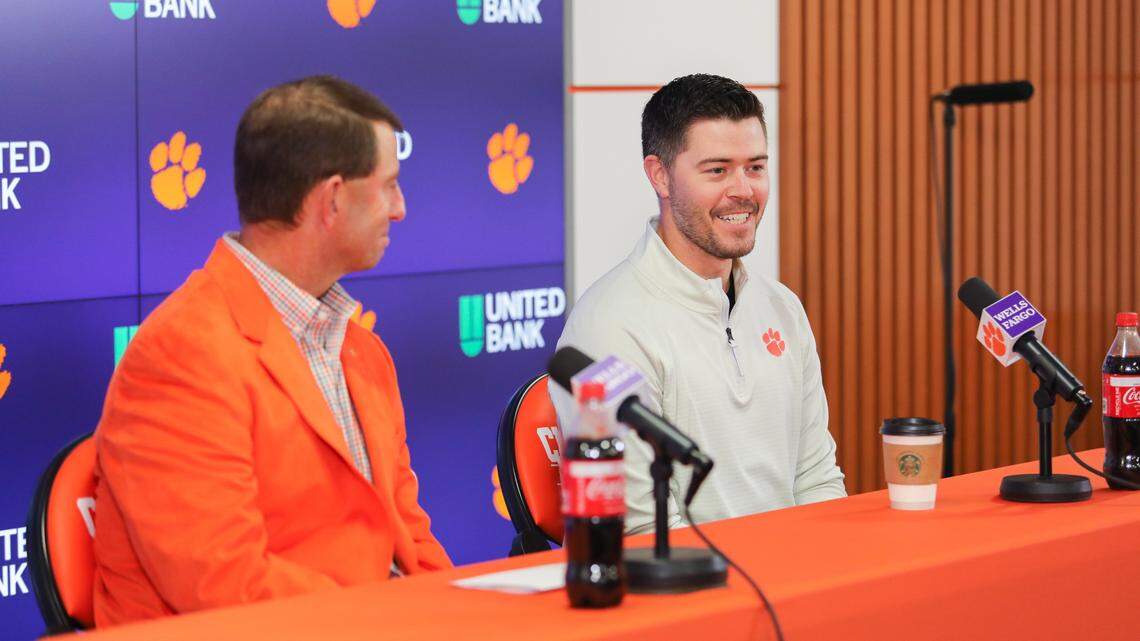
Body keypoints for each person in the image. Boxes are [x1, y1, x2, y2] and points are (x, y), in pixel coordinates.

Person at [92, 76, 451, 627]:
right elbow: (226, 585)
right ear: (331, 200)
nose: (400, 209)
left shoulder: (361, 349)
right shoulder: (179, 357)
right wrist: (389, 619)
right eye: (389, 186)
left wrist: (463, 618)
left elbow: (410, 538)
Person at [551, 74, 846, 534]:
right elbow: (640, 530)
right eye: (717, 170)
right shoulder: (608, 326)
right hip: (697, 594)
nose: (743, 190)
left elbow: (817, 478)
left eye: (755, 167)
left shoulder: (782, 307)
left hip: (798, 587)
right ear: (659, 175)